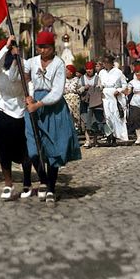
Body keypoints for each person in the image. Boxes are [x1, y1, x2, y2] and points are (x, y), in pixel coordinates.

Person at [24, 31, 82, 203]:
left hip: (53, 108)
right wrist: (12, 52)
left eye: (45, 47)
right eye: (40, 47)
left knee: (53, 149)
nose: (42, 50)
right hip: (33, 105)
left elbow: (57, 91)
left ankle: (51, 187)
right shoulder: (32, 61)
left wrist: (38, 104)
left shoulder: (58, 64)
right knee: (32, 148)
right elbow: (20, 73)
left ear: (52, 47)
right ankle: (43, 179)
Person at [0, 36, 34, 200]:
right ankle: (8, 183)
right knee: (3, 149)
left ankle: (27, 181)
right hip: (3, 109)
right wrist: (6, 47)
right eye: (6, 52)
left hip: (21, 110)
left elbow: (16, 77)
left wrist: (16, 57)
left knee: (25, 148)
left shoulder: (21, 63)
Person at [98, 55, 129, 145]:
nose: (106, 64)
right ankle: (109, 135)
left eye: (107, 63)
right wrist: (100, 91)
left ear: (112, 63)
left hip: (114, 94)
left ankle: (116, 136)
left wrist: (118, 90)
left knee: (115, 116)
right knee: (107, 116)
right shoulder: (102, 72)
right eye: (104, 63)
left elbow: (124, 85)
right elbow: (100, 84)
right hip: (105, 95)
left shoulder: (118, 72)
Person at [78, 61, 107, 148]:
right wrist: (83, 88)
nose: (89, 70)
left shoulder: (97, 78)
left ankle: (95, 140)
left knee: (94, 121)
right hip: (85, 102)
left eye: (90, 69)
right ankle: (87, 140)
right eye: (87, 69)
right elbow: (78, 89)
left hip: (95, 103)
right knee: (86, 121)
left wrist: (97, 88)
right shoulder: (82, 78)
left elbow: (100, 87)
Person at [63, 64, 81, 131]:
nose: (65, 72)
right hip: (65, 99)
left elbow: (80, 88)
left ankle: (76, 129)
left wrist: (78, 91)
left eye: (67, 71)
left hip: (75, 100)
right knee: (67, 115)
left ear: (71, 72)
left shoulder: (76, 79)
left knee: (75, 116)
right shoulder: (63, 80)